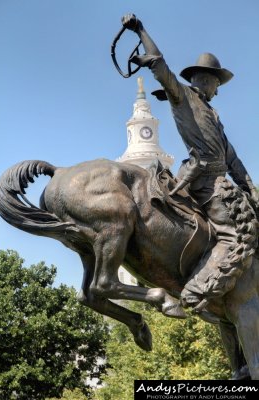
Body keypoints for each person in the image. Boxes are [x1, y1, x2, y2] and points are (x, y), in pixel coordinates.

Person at [122, 14, 259, 314]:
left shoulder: (212, 113)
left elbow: (231, 157)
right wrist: (141, 30)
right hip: (205, 184)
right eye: (217, 83)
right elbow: (159, 65)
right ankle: (197, 291)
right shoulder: (183, 96)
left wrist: (251, 189)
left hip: (221, 183)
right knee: (235, 236)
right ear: (205, 78)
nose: (218, 90)